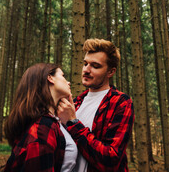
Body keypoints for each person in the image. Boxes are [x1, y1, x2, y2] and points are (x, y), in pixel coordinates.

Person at [57, 38, 135, 172]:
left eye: (95, 66)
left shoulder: (121, 102)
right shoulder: (75, 103)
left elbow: (111, 159)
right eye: (85, 63)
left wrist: (72, 122)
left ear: (110, 72)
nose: (86, 70)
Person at [4, 63, 78, 172]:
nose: (68, 82)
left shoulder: (50, 122)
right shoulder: (42, 128)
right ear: (50, 78)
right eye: (63, 76)